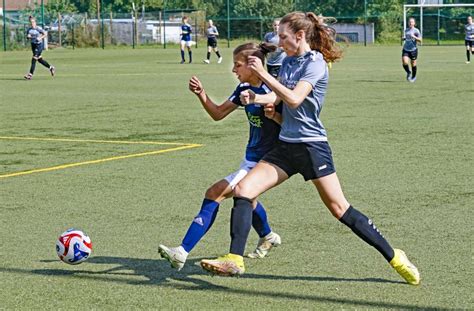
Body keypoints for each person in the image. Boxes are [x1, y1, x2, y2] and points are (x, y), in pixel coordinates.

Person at [199, 11, 421, 286]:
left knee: (340, 209)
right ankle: (235, 259)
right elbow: (279, 94)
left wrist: (261, 74)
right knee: (244, 190)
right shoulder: (289, 61)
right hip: (286, 146)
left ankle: (395, 256)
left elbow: (293, 98)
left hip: (312, 147)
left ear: (300, 35)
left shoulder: (316, 63)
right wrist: (257, 97)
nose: (278, 42)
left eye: (283, 36)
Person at [158, 42, 283, 271]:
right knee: (249, 198)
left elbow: (290, 124)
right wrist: (201, 94)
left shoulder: (272, 91)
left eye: (237, 65)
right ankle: (267, 236)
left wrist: (274, 115)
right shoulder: (243, 89)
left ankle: (182, 251)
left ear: (252, 65)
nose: (234, 70)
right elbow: (217, 114)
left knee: (215, 192)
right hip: (251, 158)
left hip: (267, 161)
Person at [24, 16, 55, 80]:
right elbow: (28, 37)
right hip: (33, 45)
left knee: (34, 59)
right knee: (40, 60)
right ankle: (51, 67)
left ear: (35, 22)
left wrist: (40, 38)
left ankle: (30, 74)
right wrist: (28, 37)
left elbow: (45, 34)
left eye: (33, 22)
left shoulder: (38, 29)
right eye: (30, 22)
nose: (32, 23)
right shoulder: (29, 30)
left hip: (39, 45)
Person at [402, 18, 422, 83]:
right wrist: (404, 38)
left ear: (414, 23)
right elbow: (407, 38)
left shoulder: (416, 31)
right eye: (409, 22)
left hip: (413, 50)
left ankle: (413, 77)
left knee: (413, 64)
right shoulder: (406, 30)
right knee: (405, 62)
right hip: (406, 49)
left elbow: (420, 40)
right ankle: (408, 72)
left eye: (412, 22)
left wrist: (414, 37)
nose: (410, 23)